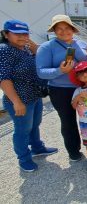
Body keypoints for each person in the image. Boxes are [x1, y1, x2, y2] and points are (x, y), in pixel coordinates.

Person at [36, 14, 87, 161]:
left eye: (67, 28)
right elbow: (41, 72)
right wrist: (59, 71)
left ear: (73, 29)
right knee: (68, 121)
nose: (64, 32)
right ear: (54, 31)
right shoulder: (47, 47)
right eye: (59, 29)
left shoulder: (81, 43)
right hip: (60, 90)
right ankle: (73, 151)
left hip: (83, 87)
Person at [0, 20, 58, 172]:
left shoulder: (25, 48)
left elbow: (39, 52)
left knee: (35, 124)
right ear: (6, 34)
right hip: (20, 99)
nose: (22, 37)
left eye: (25, 33)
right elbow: (3, 78)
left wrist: (27, 41)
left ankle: (37, 148)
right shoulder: (4, 50)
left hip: (34, 95)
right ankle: (24, 158)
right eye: (16, 33)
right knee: (23, 129)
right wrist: (16, 102)